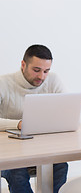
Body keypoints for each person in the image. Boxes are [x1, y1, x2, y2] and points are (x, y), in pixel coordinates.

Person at [0, 44, 68, 193]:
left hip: (42, 148)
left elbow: (66, 112)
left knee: (60, 165)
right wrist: (19, 124)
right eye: (36, 70)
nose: (41, 76)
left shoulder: (53, 80)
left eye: (46, 71)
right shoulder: (3, 83)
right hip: (8, 152)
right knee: (16, 171)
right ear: (23, 64)